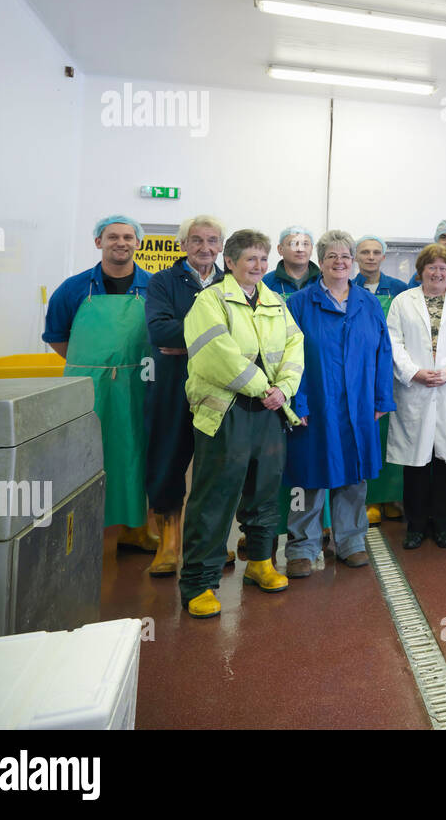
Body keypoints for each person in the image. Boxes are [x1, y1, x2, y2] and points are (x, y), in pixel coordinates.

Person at [180, 229, 305, 618]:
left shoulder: (275, 302)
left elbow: (294, 346)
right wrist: (264, 386)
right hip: (226, 411)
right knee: (215, 497)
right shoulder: (211, 301)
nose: (259, 266)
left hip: (268, 411)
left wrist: (283, 389)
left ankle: (260, 563)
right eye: (250, 259)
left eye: (263, 259)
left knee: (265, 492)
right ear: (229, 263)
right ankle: (199, 583)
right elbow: (215, 354)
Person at [43, 215, 156, 555]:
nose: (120, 242)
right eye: (112, 237)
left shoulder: (153, 287)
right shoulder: (74, 288)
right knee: (84, 452)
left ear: (138, 243)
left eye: (127, 237)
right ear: (98, 242)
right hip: (87, 386)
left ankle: (135, 530)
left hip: (137, 386)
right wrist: (92, 365)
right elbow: (57, 336)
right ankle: (82, 529)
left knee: (134, 453)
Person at [284, 231, 395, 577]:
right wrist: (297, 403)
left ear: (353, 261)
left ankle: (350, 541)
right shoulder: (300, 304)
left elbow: (383, 352)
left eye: (345, 256)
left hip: (358, 403)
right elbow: (288, 359)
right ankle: (302, 546)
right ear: (320, 261)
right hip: (315, 402)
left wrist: (380, 398)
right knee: (308, 475)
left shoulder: (367, 303)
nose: (340, 262)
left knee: (353, 474)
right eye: (331, 256)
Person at [143, 215, 226, 577]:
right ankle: (169, 544)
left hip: (220, 389)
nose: (204, 247)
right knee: (168, 463)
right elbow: (160, 331)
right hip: (173, 386)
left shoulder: (231, 281)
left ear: (221, 246)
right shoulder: (163, 281)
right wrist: (213, 340)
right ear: (182, 244)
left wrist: (190, 342)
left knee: (218, 467)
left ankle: (209, 541)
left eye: (212, 240)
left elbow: (243, 335)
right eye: (196, 240)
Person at [388, 243, 446, 549]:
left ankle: (443, 525)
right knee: (415, 464)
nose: (438, 272)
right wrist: (413, 371)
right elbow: (393, 342)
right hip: (415, 388)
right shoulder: (403, 301)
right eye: (432, 267)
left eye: (443, 267)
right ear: (421, 271)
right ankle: (415, 526)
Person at [353, 234, 408, 524]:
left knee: (393, 435)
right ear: (356, 257)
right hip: (360, 371)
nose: (371, 257)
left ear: (384, 257)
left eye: (376, 252)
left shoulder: (399, 289)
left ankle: (391, 498)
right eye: (365, 252)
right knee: (368, 433)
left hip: (394, 370)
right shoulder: (348, 288)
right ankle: (369, 500)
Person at [263, 226, 319, 297]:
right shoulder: (265, 283)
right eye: (293, 244)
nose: (300, 249)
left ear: (311, 249)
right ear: (280, 249)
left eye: (305, 244)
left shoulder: (324, 281)